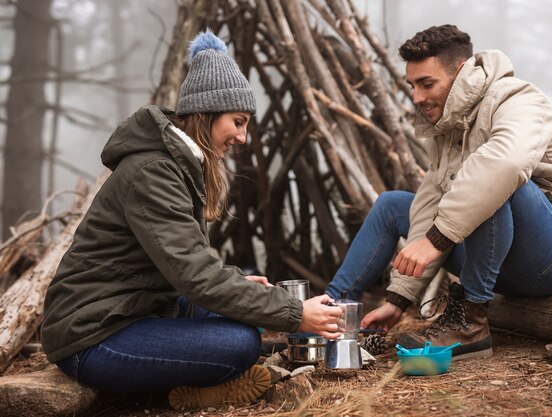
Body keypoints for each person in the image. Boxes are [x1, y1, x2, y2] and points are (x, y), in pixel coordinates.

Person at [41, 29, 344, 411]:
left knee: (240, 299)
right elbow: (195, 276)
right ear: (207, 113)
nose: (243, 137)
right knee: (239, 344)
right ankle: (187, 392)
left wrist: (239, 285)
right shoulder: (153, 173)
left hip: (134, 308)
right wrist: (295, 313)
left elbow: (190, 265)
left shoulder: (177, 166)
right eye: (237, 121)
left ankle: (190, 385)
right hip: (93, 336)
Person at [326, 24, 552, 360]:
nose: (416, 97)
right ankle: (330, 315)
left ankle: (471, 322)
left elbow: (505, 165)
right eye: (412, 85)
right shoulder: (447, 124)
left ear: (460, 72)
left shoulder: (518, 98)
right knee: (392, 205)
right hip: (502, 259)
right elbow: (430, 203)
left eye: (426, 83)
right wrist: (398, 298)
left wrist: (435, 241)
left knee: (496, 182)